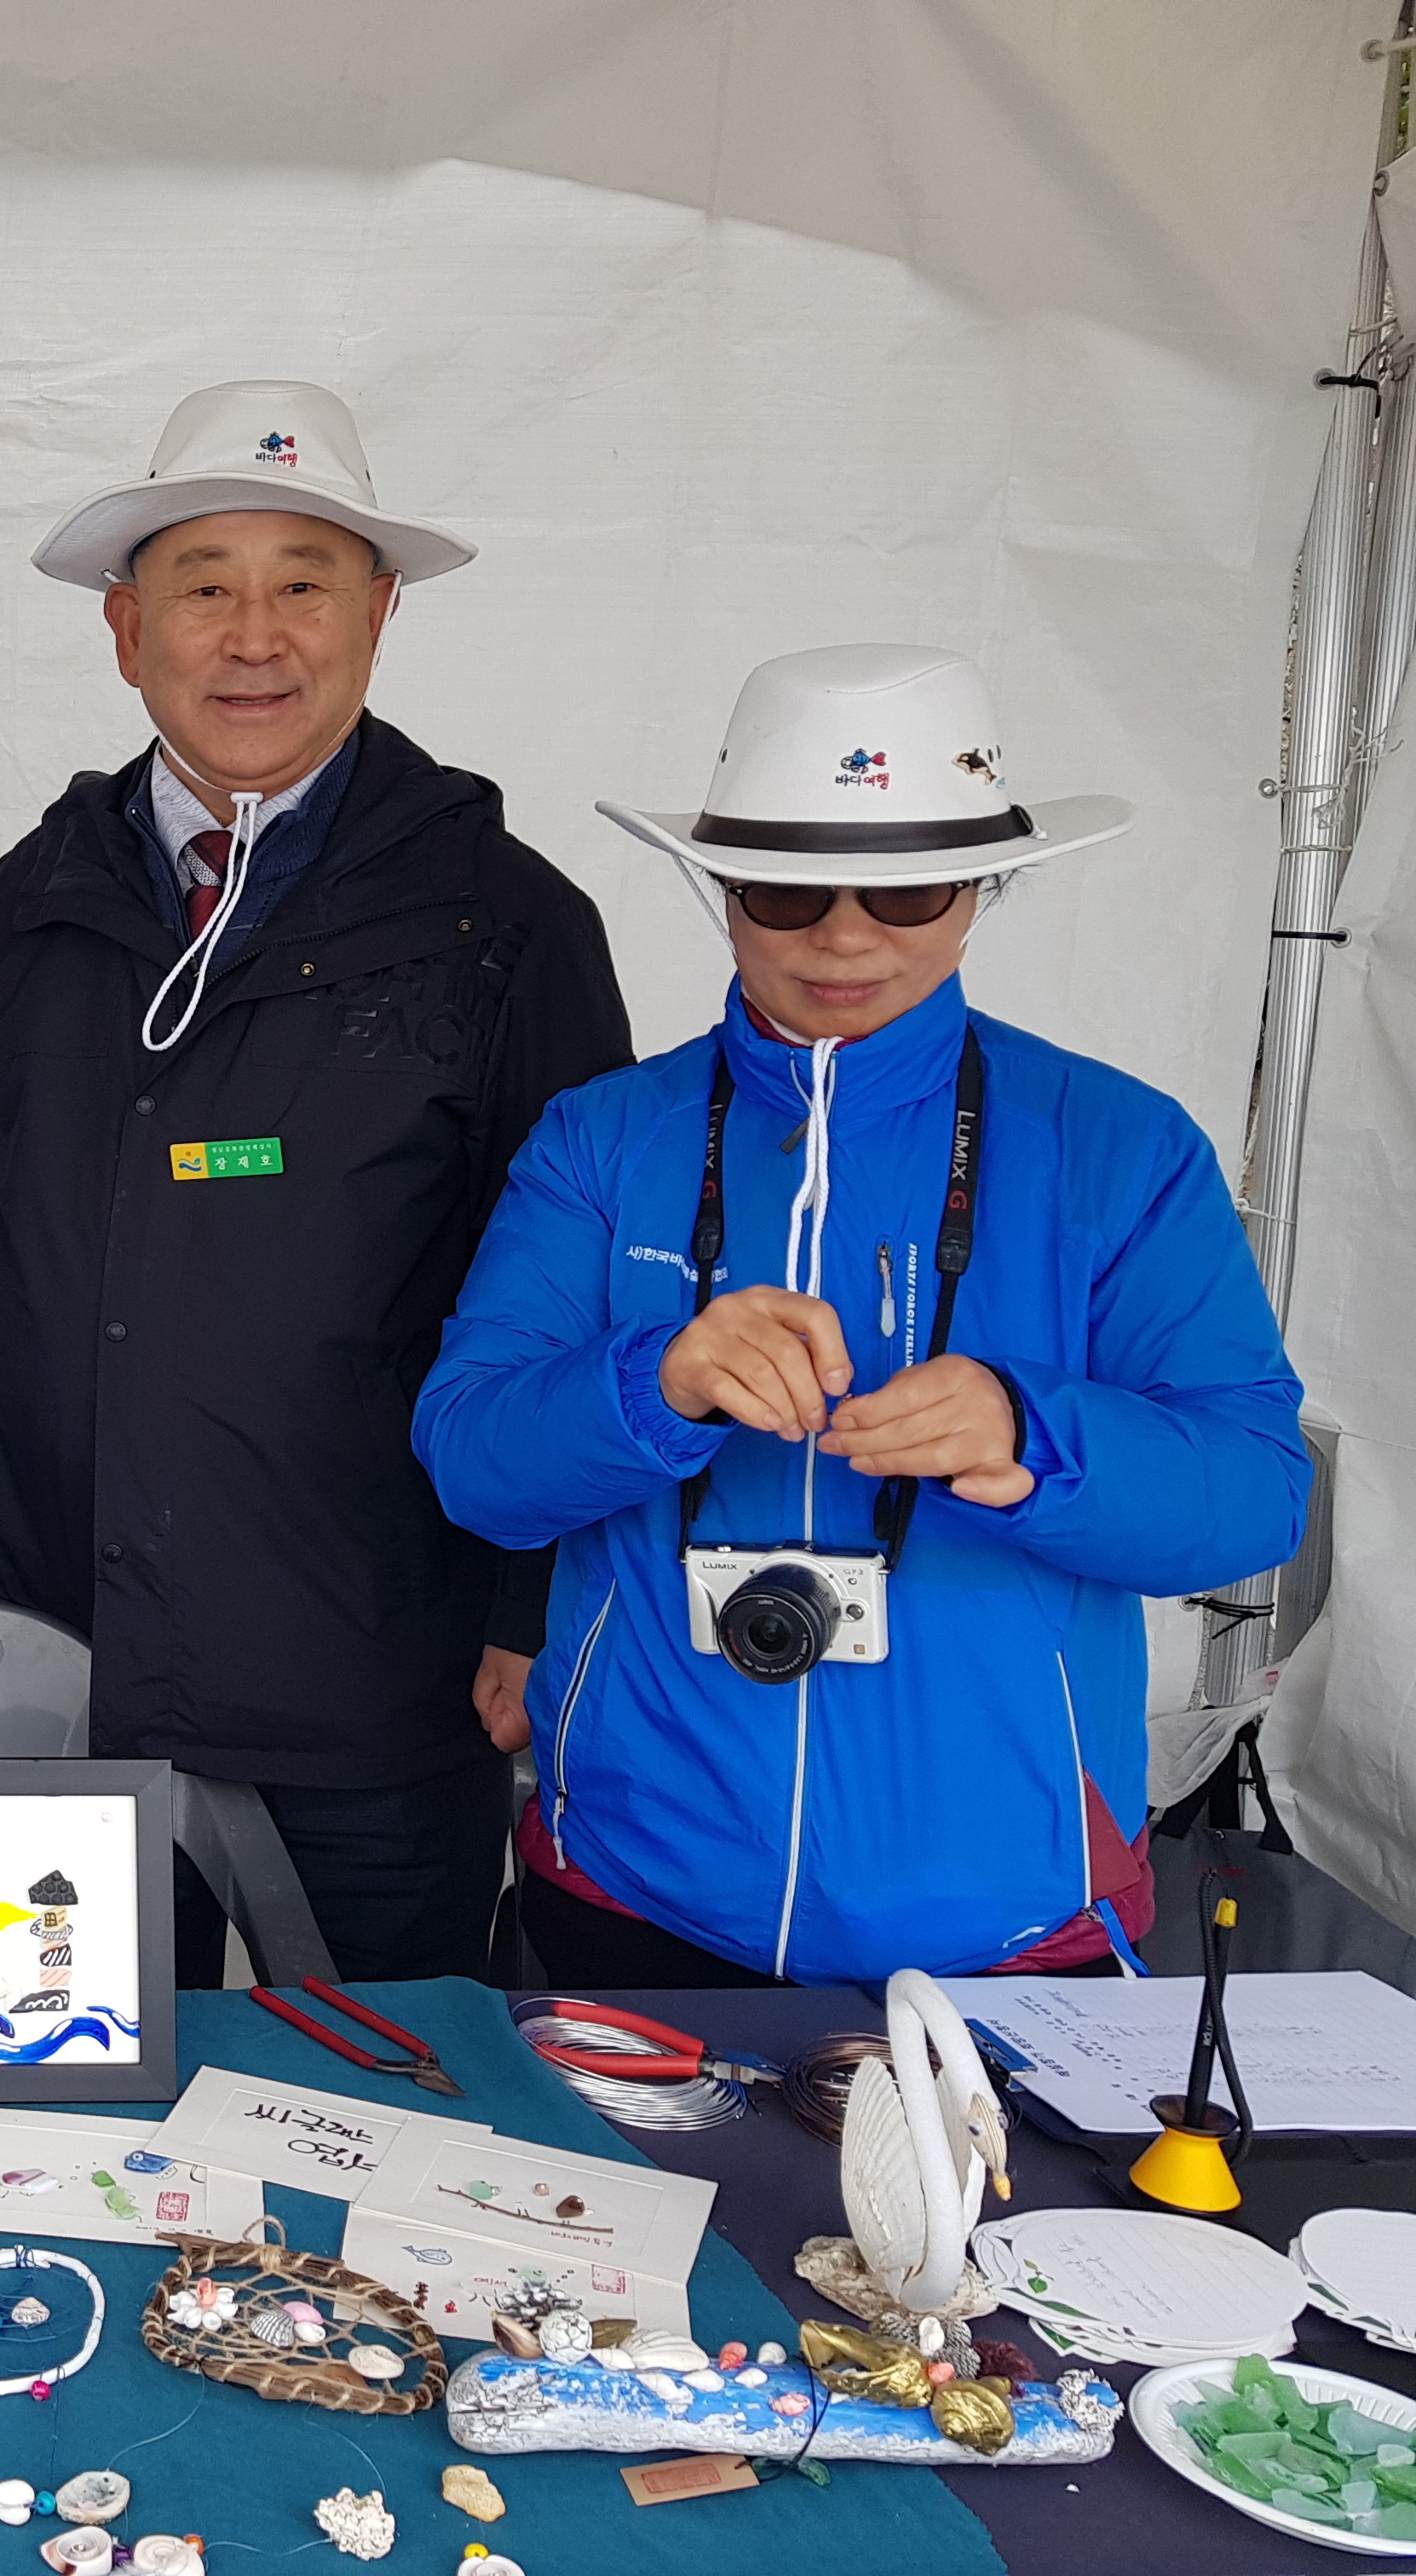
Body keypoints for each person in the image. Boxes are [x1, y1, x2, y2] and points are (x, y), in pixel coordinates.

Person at [414, 644, 1309, 1985]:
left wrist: (1033, 1434)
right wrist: (652, 1380)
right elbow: (472, 1459)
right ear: (720, 888)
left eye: (906, 890)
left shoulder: (1118, 1148)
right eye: (785, 889)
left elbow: (1253, 1497)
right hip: (635, 1891)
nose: (844, 936)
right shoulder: (602, 1140)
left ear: (982, 889)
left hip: (1013, 1921)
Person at [0, 382, 630, 1984]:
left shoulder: (504, 924)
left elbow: (579, 1303)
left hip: (375, 1673)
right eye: (204, 585)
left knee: (386, 2136)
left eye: (304, 583)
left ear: (376, 615)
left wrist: (531, 1599)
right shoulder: (21, 912)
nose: (254, 634)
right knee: (38, 2117)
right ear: (123, 627)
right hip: (52, 1666)